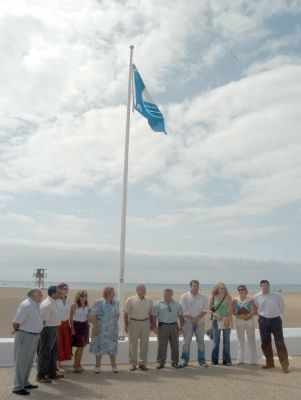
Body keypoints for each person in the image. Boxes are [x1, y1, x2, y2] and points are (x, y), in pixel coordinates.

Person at [11, 288, 43, 396]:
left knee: (28, 362)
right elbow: (16, 322)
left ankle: (24, 382)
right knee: (22, 362)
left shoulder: (34, 305)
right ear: (33, 295)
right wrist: (17, 330)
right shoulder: (27, 305)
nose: (41, 297)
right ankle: (17, 387)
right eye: (40, 295)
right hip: (26, 336)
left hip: (33, 337)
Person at [254, 280, 289, 373]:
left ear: (269, 286)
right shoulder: (256, 296)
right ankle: (270, 363)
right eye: (263, 285)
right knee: (265, 343)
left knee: (280, 343)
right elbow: (256, 308)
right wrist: (263, 317)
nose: (265, 287)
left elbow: (282, 307)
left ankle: (285, 366)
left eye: (266, 285)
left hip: (275, 321)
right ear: (260, 287)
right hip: (263, 321)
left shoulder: (277, 295)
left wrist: (275, 315)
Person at [178, 280, 209, 368]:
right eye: (194, 286)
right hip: (188, 323)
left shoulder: (203, 297)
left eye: (197, 286)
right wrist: (192, 319)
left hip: (200, 323)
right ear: (190, 286)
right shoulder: (184, 296)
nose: (196, 288)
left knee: (201, 342)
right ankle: (184, 360)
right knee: (186, 342)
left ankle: (202, 361)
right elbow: (184, 310)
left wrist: (197, 318)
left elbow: (205, 310)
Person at [37, 286, 64, 383]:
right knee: (45, 353)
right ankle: (40, 376)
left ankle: (52, 373)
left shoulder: (53, 302)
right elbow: (42, 321)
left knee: (53, 352)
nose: (61, 294)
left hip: (54, 328)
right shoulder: (47, 304)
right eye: (59, 292)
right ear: (53, 293)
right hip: (47, 330)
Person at [90, 286, 120, 373]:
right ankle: (97, 366)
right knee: (99, 348)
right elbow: (93, 315)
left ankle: (114, 365)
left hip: (112, 330)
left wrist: (115, 326)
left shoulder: (116, 303)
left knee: (113, 348)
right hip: (100, 330)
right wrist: (95, 328)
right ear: (107, 293)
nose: (114, 294)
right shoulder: (98, 302)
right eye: (112, 292)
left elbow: (117, 315)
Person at [124, 284, 154, 371]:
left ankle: (142, 363)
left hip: (145, 323)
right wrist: (126, 326)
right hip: (134, 323)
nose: (143, 291)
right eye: (142, 290)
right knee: (133, 344)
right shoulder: (130, 300)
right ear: (137, 291)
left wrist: (152, 324)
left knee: (144, 344)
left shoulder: (149, 300)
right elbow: (125, 314)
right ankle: (133, 364)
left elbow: (151, 313)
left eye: (144, 290)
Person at [153, 288, 184, 369]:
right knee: (162, 346)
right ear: (163, 294)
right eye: (165, 294)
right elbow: (153, 317)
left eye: (169, 294)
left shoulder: (177, 304)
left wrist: (181, 327)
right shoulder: (158, 304)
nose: (166, 295)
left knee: (175, 346)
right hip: (162, 326)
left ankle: (175, 362)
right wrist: (154, 327)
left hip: (174, 326)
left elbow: (181, 316)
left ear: (172, 294)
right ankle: (160, 362)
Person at [232, 284, 257, 365]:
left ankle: (253, 360)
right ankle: (240, 360)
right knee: (240, 341)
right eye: (239, 290)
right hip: (239, 322)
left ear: (246, 290)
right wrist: (240, 316)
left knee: (251, 340)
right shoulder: (235, 300)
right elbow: (233, 312)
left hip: (249, 321)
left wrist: (248, 316)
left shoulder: (251, 299)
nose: (241, 291)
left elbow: (255, 310)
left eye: (242, 289)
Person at [209, 282, 233, 366]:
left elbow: (231, 311)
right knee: (216, 341)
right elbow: (209, 310)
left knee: (226, 342)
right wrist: (216, 315)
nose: (222, 290)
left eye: (224, 288)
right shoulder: (213, 297)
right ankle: (214, 360)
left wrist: (228, 320)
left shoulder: (229, 298)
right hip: (216, 321)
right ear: (217, 288)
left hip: (226, 321)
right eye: (220, 288)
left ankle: (227, 360)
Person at [70, 290, 90, 372]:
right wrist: (72, 329)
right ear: (78, 296)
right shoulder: (74, 306)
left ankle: (77, 363)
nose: (83, 297)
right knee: (80, 346)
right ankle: (76, 365)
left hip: (84, 326)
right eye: (81, 295)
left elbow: (87, 318)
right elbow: (71, 318)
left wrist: (88, 324)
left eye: (85, 295)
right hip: (77, 326)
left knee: (82, 347)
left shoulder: (87, 306)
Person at [56, 282, 72, 373]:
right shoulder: (56, 300)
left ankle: (59, 364)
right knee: (59, 344)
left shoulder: (68, 299)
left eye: (67, 289)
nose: (66, 290)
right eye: (64, 289)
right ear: (60, 290)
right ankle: (56, 365)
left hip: (66, 324)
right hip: (58, 324)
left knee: (65, 343)